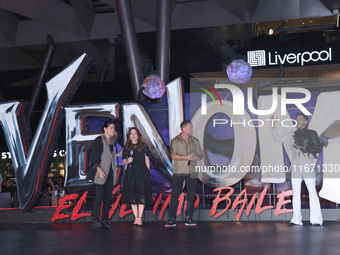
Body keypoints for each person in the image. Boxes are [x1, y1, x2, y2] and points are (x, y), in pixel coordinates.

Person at [271, 113, 323, 227]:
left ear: (305, 121)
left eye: (300, 119)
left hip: (307, 165)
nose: (298, 120)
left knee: (312, 192)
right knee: (296, 193)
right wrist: (273, 126)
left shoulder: (312, 133)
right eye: (297, 119)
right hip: (295, 166)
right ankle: (296, 219)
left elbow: (317, 148)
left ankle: (316, 220)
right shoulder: (292, 133)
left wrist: (316, 145)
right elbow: (277, 138)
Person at [165, 120, 202, 227]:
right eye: (190, 128)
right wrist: (186, 157)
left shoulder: (195, 141)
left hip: (192, 170)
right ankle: (172, 218)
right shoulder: (175, 140)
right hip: (179, 171)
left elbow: (201, 154)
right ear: (184, 129)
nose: (192, 129)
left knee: (191, 195)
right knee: (175, 194)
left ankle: (189, 217)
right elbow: (173, 156)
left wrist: (197, 157)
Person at [88, 120, 122, 230]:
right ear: (105, 129)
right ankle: (95, 221)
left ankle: (104, 220)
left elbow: (108, 156)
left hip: (110, 174)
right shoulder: (99, 140)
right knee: (99, 197)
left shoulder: (111, 141)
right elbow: (94, 157)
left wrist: (118, 154)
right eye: (111, 128)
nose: (113, 130)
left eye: (114, 128)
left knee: (107, 198)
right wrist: (98, 169)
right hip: (101, 173)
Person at [121, 127, 152, 227]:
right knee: (132, 196)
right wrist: (128, 161)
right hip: (131, 173)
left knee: (141, 194)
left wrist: (147, 172)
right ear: (129, 136)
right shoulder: (126, 148)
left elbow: (147, 159)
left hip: (142, 172)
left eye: (135, 133)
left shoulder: (143, 146)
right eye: (132, 133)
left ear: (138, 135)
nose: (134, 135)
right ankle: (136, 218)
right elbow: (124, 161)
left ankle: (140, 218)